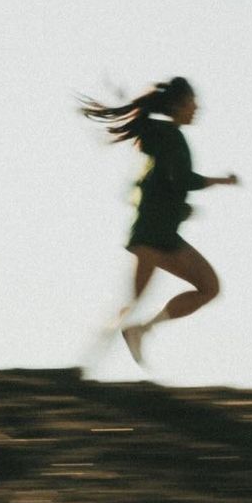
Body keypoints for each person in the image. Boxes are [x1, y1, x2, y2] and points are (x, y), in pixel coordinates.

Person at [79, 76, 239, 365]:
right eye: (192, 103)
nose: (197, 108)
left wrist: (182, 210)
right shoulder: (170, 138)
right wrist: (220, 181)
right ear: (178, 105)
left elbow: (166, 183)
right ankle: (99, 355)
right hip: (155, 234)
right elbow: (180, 180)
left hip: (160, 233)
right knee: (198, 289)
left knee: (203, 288)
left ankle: (131, 335)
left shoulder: (163, 134)